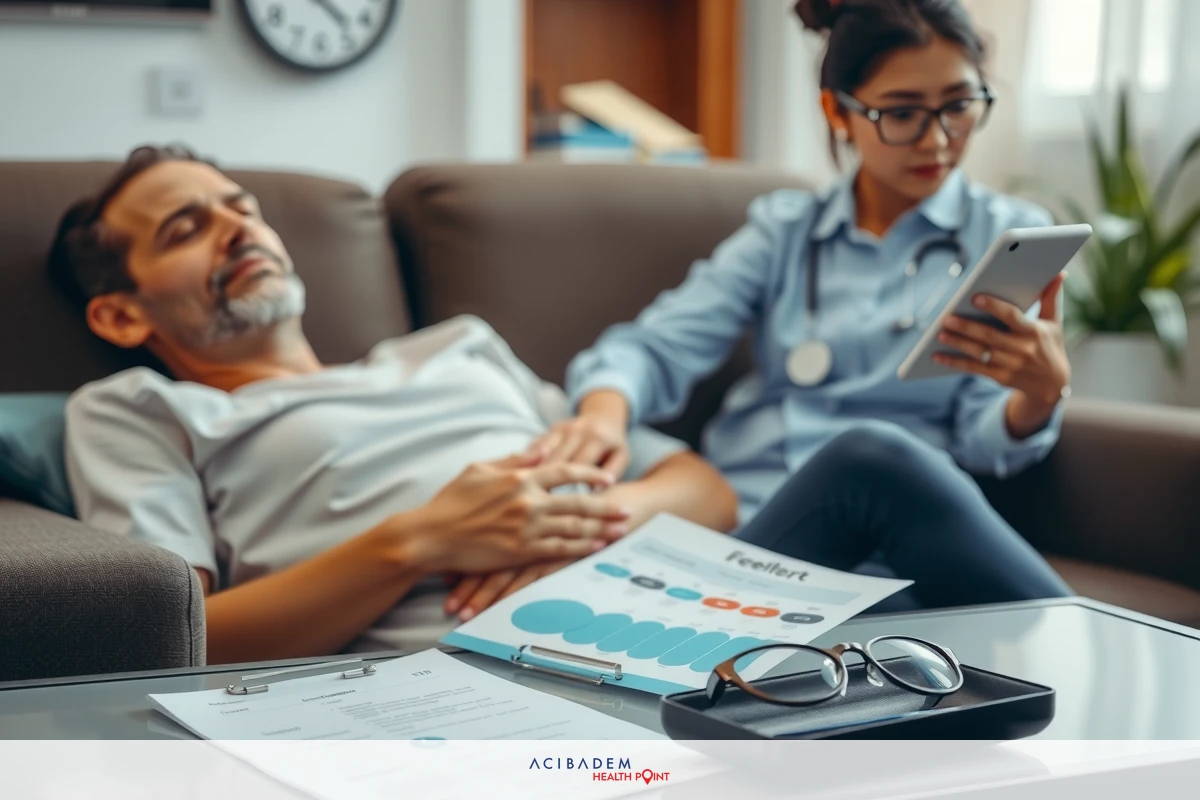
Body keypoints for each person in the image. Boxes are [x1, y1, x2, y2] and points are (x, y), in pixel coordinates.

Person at [50, 145, 738, 664]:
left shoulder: (461, 347)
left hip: (682, 626)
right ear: (119, 318)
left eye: (241, 206)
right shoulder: (139, 408)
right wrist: (421, 540)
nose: (237, 228)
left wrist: (574, 524)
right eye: (184, 229)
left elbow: (706, 492)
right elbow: (178, 637)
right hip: (481, 678)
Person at [550, 0, 1074, 609]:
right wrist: (600, 417)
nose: (937, 139)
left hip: (889, 555)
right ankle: (1110, 650)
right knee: (868, 457)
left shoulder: (1006, 236)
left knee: (901, 610)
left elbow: (984, 443)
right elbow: (652, 348)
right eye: (902, 113)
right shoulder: (785, 232)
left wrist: (1037, 398)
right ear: (838, 111)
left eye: (959, 106)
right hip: (759, 538)